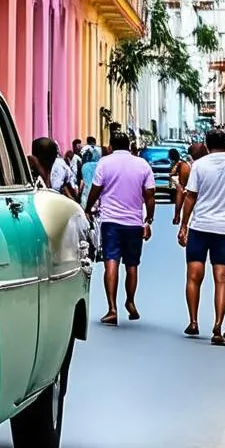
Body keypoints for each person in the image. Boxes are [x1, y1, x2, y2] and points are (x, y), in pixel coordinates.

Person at [177, 128, 225, 345]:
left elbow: (190, 197)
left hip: (200, 226)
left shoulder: (199, 165)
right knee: (222, 278)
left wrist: (184, 225)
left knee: (193, 276)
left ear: (207, 145)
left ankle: (193, 321)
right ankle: (219, 326)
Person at [85, 130, 156, 326]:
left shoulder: (105, 163)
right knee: (132, 266)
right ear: (129, 145)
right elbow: (150, 196)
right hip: (134, 222)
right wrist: (148, 220)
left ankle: (112, 309)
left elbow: (95, 189)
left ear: (110, 146)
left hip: (111, 222)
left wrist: (88, 208)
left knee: (111, 263)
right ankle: (130, 301)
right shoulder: (142, 165)